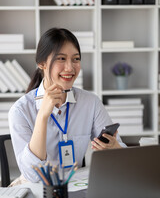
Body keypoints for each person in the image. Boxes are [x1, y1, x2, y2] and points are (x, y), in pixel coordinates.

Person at [8, 28, 126, 183]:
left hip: (75, 184)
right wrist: (43, 116)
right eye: (61, 59)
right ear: (42, 63)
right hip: (37, 190)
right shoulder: (20, 110)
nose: (70, 68)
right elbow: (33, 176)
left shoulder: (90, 103)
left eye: (76, 59)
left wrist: (114, 148)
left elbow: (123, 156)